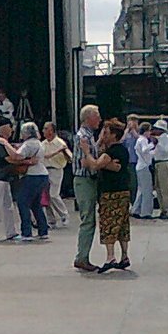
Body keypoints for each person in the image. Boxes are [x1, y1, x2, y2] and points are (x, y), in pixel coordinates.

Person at [92, 118, 131, 272]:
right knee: (122, 224)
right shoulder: (121, 150)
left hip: (111, 192)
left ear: (114, 135)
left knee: (109, 222)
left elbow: (96, 164)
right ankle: (125, 255)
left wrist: (88, 154)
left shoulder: (113, 150)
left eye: (106, 133)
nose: (104, 135)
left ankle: (110, 257)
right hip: (123, 190)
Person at [72, 104, 101, 271]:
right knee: (88, 219)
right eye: (97, 116)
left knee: (89, 219)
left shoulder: (88, 136)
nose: (99, 119)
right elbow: (85, 161)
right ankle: (82, 257)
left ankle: (83, 256)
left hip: (87, 180)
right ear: (88, 118)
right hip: (85, 180)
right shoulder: (83, 136)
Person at [13, 121, 50, 241]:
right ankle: (43, 230)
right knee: (36, 204)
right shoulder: (40, 144)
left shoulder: (28, 144)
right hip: (43, 174)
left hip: (32, 175)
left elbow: (17, 156)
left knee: (23, 202)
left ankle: (26, 232)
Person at [41, 121, 71, 227]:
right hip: (45, 170)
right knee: (46, 196)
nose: (43, 131)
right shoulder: (43, 144)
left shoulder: (60, 143)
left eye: (46, 128)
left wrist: (63, 151)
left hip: (56, 170)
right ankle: (51, 219)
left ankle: (64, 215)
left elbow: (70, 157)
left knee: (54, 194)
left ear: (51, 131)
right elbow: (45, 156)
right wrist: (57, 151)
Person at [151, 119, 168, 219]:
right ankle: (163, 209)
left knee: (165, 188)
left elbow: (166, 151)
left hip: (164, 162)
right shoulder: (159, 138)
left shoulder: (167, 138)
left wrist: (157, 143)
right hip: (157, 163)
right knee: (158, 187)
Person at [130, 123, 156, 219]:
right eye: (149, 131)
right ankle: (146, 212)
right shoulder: (144, 140)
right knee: (147, 190)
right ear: (145, 131)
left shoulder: (139, 140)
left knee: (140, 189)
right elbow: (145, 150)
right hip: (145, 167)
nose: (150, 133)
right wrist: (152, 144)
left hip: (139, 166)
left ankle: (135, 209)